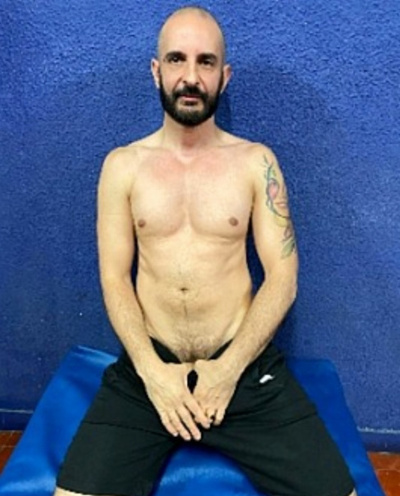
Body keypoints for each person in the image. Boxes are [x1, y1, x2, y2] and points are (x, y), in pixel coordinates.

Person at [55, 6, 357, 496]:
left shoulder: (256, 163)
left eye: (206, 61)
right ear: (156, 71)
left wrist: (228, 369)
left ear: (225, 75)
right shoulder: (122, 167)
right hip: (150, 371)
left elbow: (283, 277)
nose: (191, 77)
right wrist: (152, 372)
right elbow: (114, 277)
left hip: (243, 366)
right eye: (177, 59)